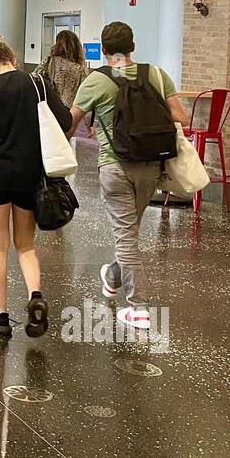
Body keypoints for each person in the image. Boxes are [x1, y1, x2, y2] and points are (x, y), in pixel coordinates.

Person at [67, 22, 187, 331]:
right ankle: (112, 277)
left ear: (104, 50)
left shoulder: (97, 80)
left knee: (125, 237)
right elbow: (180, 116)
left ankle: (138, 308)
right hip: (151, 165)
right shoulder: (157, 75)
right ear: (132, 46)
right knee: (128, 234)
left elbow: (72, 120)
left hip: (115, 165)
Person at [0, 35, 71, 337]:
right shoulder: (37, 83)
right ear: (12, 59)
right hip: (30, 177)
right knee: (26, 245)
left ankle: (1, 315)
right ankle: (35, 296)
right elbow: (66, 119)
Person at [40, 29, 90, 112]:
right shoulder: (80, 69)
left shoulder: (48, 61)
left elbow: (33, 81)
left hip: (49, 110)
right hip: (69, 113)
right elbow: (85, 97)